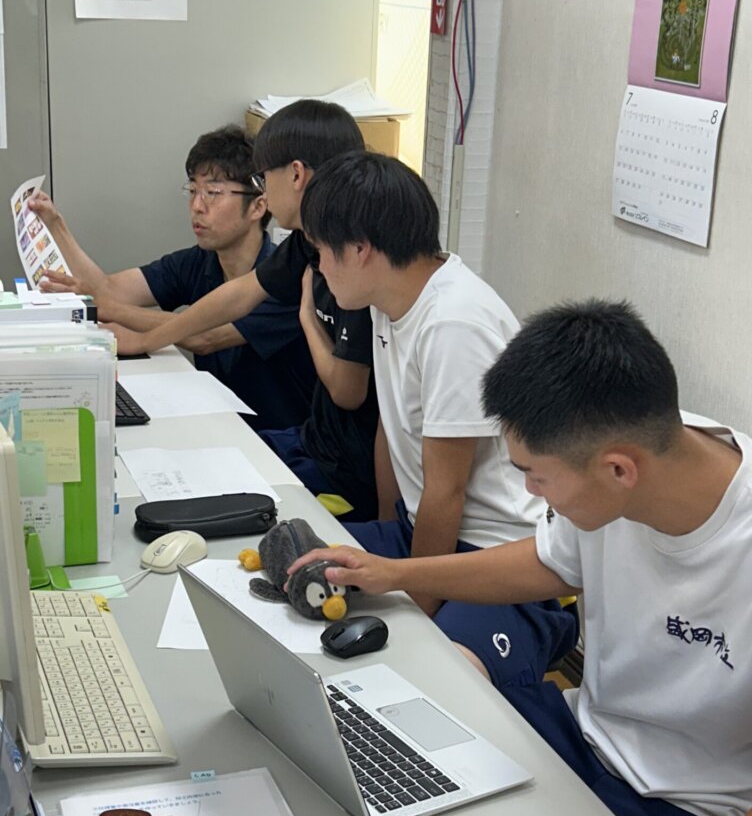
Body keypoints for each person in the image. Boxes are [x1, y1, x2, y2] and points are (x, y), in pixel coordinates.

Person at [287, 299, 752, 816]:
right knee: (387, 760)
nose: (527, 493)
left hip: (694, 805)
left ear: (620, 469)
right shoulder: (635, 449)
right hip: (584, 731)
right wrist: (396, 574)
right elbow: (547, 563)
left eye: (535, 477)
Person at [299, 149, 577, 668]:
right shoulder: (389, 298)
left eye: (321, 253)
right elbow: (393, 429)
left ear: (360, 249)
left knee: (434, 671)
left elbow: (446, 490)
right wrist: (385, 537)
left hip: (494, 552)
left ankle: (535, 639)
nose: (318, 268)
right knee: (294, 565)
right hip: (423, 532)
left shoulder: (452, 322)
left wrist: (414, 604)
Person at [88, 102, 379, 519]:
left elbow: (348, 393)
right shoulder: (305, 244)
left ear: (295, 175)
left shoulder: (350, 258)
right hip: (309, 442)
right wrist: (152, 338)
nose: (198, 205)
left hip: (341, 469)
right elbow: (238, 296)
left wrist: (307, 320)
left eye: (264, 178)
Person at [28, 125, 315, 431]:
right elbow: (109, 290)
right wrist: (56, 226)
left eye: (213, 193)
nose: (196, 206)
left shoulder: (284, 279)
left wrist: (124, 322)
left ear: (258, 205)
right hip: (218, 423)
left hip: (279, 439)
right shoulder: (198, 261)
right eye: (192, 190)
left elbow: (206, 336)